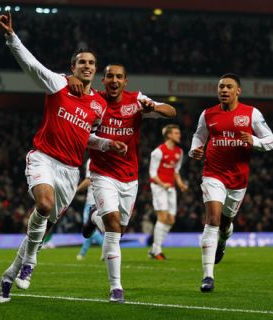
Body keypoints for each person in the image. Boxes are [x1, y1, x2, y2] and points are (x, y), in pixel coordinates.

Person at [0, 13, 127, 303]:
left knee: (41, 230)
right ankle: (30, 263)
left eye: (92, 63)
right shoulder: (58, 84)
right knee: (42, 205)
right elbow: (31, 65)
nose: (88, 67)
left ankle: (8, 276)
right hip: (43, 158)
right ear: (73, 67)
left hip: (70, 171)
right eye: (82, 63)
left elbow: (85, 137)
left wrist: (107, 144)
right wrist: (11, 37)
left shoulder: (99, 105)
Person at [74, 63, 176, 302]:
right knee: (112, 227)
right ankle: (116, 287)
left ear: (125, 81)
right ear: (103, 80)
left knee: (119, 229)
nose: (114, 80)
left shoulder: (136, 100)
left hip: (129, 177)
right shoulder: (94, 101)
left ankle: (93, 218)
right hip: (102, 173)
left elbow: (172, 112)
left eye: (119, 77)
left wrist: (156, 107)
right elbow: (81, 135)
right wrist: (106, 143)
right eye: (110, 76)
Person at [189, 73, 273, 292]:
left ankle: (223, 241)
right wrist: (194, 149)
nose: (224, 90)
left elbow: (271, 140)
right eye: (221, 87)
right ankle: (208, 276)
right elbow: (199, 136)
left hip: (238, 179)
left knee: (225, 224)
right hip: (213, 174)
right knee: (213, 219)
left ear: (238, 91)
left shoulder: (251, 113)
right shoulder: (208, 114)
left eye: (228, 87)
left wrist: (254, 141)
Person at [148, 124, 188, 260]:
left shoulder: (179, 152)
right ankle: (157, 250)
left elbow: (175, 171)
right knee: (163, 217)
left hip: (171, 188)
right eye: (176, 133)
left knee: (171, 220)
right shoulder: (158, 152)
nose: (179, 135)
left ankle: (154, 248)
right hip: (159, 187)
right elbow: (152, 174)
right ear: (169, 135)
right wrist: (162, 184)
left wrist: (181, 184)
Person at [76, 159, 103, 261]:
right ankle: (82, 253)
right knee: (92, 229)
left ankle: (107, 247)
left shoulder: (92, 160)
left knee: (87, 227)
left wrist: (76, 190)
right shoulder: (105, 158)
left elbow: (88, 180)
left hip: (92, 201)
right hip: (103, 200)